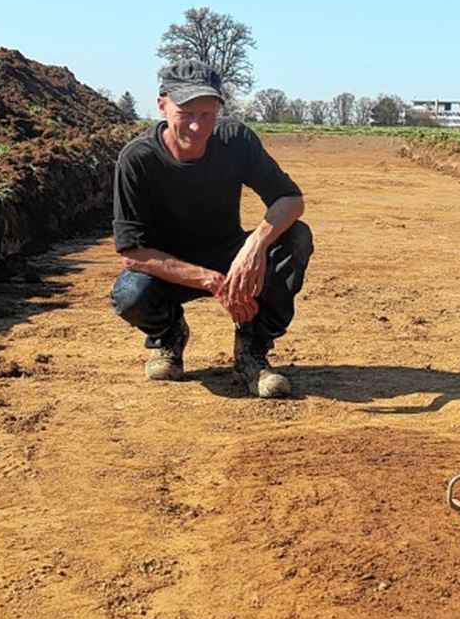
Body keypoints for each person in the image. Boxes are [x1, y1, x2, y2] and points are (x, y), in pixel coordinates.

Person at [110, 58, 312, 398]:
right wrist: (214, 282)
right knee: (130, 294)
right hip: (168, 267)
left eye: (207, 114)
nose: (196, 126)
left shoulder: (234, 140)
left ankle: (252, 348)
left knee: (296, 236)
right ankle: (169, 336)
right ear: (162, 106)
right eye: (185, 114)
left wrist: (254, 248)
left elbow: (290, 200)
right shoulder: (137, 160)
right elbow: (133, 252)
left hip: (228, 253)